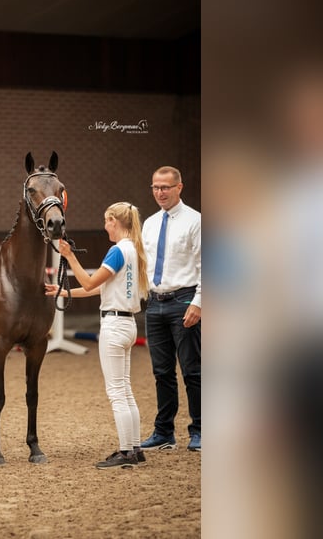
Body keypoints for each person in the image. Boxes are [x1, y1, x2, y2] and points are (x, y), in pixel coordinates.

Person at [45, 202, 149, 469]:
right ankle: (134, 448)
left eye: (107, 221)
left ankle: (126, 451)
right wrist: (64, 291)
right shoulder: (134, 250)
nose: (105, 226)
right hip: (127, 324)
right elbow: (97, 288)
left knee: (116, 392)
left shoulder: (117, 251)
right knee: (125, 390)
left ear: (115, 221)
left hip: (114, 326)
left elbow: (90, 282)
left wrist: (69, 257)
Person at [139, 166, 201, 452]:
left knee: (193, 370)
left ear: (179, 187)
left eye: (165, 187)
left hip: (184, 301)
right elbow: (145, 265)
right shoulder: (149, 223)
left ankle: (200, 430)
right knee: (162, 371)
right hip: (155, 304)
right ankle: (164, 432)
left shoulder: (195, 221)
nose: (159, 192)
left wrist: (199, 303)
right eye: (155, 187)